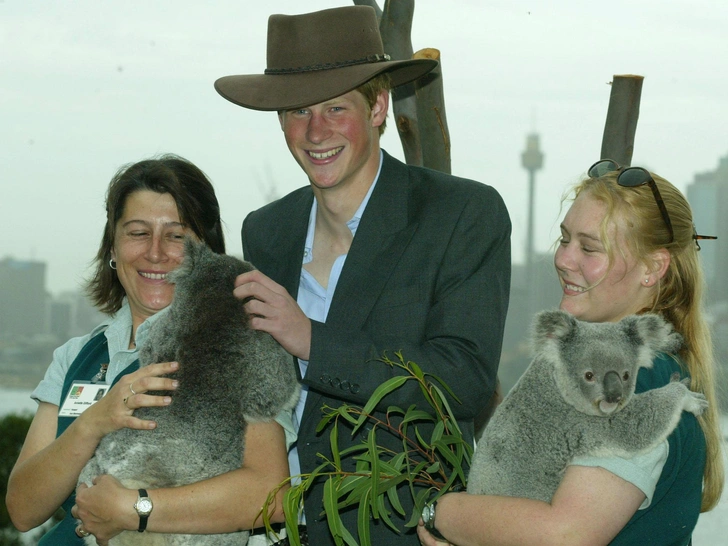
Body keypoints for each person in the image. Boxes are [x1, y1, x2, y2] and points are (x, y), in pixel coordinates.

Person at [214, 6, 511, 546]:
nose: (315, 131)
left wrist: (312, 340)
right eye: (297, 111)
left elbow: (464, 382)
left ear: (378, 107)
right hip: (275, 526)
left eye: (335, 107)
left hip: (399, 529)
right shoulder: (267, 230)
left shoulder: (460, 214)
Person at [417, 159, 725, 545]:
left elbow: (565, 536)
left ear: (652, 267)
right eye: (565, 239)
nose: (563, 260)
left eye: (589, 248)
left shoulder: (637, 380)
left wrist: (441, 512)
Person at [6, 155, 293, 544]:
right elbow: (22, 510)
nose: (156, 253)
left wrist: (134, 508)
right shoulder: (77, 355)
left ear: (205, 251)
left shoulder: (239, 343)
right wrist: (95, 421)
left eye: (176, 235)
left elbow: (271, 494)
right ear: (113, 245)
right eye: (138, 232)